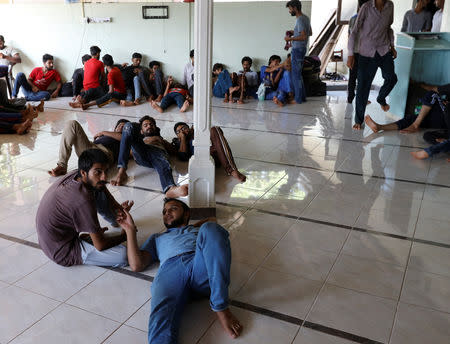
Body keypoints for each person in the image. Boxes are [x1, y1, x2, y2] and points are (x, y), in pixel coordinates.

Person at [115, 198, 243, 343]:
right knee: (161, 318)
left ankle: (221, 307)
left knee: (211, 228)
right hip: (170, 271)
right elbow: (137, 265)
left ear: (187, 213)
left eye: (173, 209)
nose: (167, 213)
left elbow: (212, 221)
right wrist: (130, 230)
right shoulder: (157, 238)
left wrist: (191, 226)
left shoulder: (199, 230)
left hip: (199, 266)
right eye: (164, 211)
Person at [36, 149, 133, 267]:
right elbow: (100, 245)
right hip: (62, 251)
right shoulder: (82, 199)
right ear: (83, 172)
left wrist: (118, 208)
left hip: (51, 241)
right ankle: (88, 239)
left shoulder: (77, 175)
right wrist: (125, 235)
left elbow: (102, 188)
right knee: (125, 255)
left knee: (98, 186)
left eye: (106, 171)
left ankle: (95, 231)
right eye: (98, 172)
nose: (104, 177)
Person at [347, 0, 398, 130]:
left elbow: (388, 28)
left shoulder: (390, 6)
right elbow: (354, 32)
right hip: (366, 53)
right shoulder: (366, 7)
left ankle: (381, 98)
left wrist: (392, 45)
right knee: (363, 87)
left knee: (391, 78)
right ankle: (359, 120)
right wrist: (351, 54)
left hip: (384, 50)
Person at [110, 115, 189, 198]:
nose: (149, 126)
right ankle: (121, 171)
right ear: (141, 131)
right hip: (142, 153)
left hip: (158, 155)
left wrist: (182, 138)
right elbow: (128, 152)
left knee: (161, 159)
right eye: (145, 125)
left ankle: (170, 188)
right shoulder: (139, 140)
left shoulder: (161, 140)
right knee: (128, 126)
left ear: (155, 128)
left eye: (151, 125)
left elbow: (180, 154)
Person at [48, 118, 129, 177]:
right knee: (72, 123)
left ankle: (89, 169)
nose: (121, 127)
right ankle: (62, 165)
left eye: (124, 127)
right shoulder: (109, 134)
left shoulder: (125, 139)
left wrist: (103, 132)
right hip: (91, 148)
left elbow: (124, 139)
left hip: (104, 153)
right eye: (119, 125)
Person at [172, 122, 246, 182]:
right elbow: (183, 156)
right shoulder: (180, 143)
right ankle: (231, 170)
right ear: (177, 136)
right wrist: (183, 138)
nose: (182, 132)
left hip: (216, 150)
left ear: (189, 128)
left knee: (215, 129)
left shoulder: (196, 131)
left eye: (184, 128)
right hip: (205, 157)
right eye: (178, 132)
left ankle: (231, 169)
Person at [365, 82, 450, 134]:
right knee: (411, 118)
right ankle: (380, 127)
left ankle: (415, 125)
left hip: (445, 115)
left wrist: (419, 84)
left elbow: (433, 89)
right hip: (442, 120)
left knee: (432, 94)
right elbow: (437, 89)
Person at [285, 0, 311, 104]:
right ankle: (302, 98)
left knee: (295, 75)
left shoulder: (300, 19)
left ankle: (298, 99)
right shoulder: (306, 18)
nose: (289, 11)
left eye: (290, 9)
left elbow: (304, 36)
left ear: (295, 8)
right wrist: (294, 32)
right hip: (302, 49)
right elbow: (310, 32)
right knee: (298, 74)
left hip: (297, 49)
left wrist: (290, 39)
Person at [347, 0, 371, 104]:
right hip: (362, 53)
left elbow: (349, 36)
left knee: (354, 76)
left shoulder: (353, 19)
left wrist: (350, 53)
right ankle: (359, 99)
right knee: (362, 77)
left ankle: (351, 98)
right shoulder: (367, 19)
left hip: (356, 52)